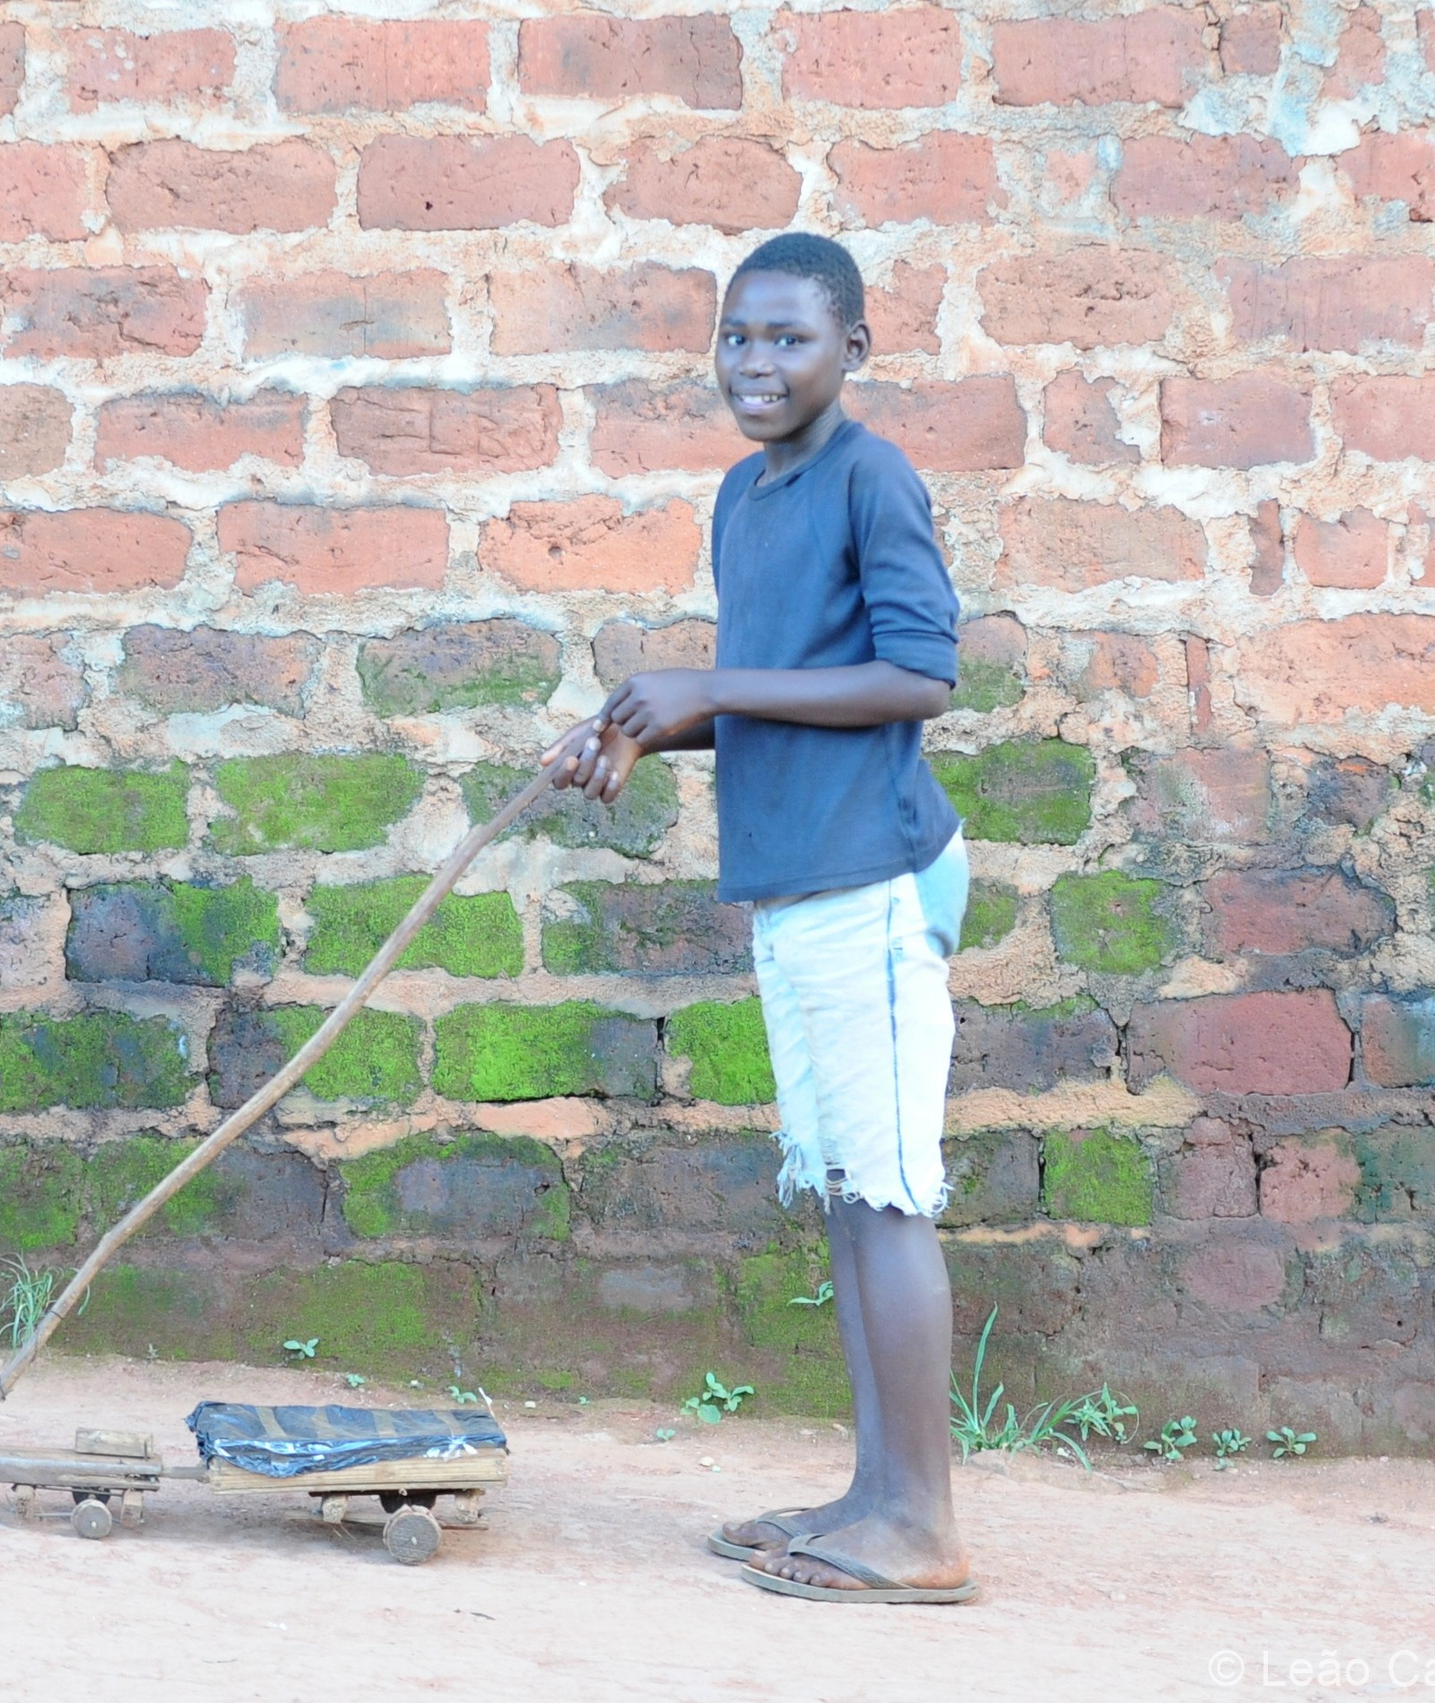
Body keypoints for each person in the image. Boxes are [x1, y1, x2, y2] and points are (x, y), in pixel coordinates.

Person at [542, 231, 977, 1605]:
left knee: (890, 1194)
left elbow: (918, 676)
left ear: (853, 352)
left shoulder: (870, 476)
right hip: (798, 876)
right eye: (737, 336)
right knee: (849, 1194)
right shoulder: (745, 495)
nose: (756, 363)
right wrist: (638, 730)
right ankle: (874, 1494)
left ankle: (924, 1529)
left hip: (874, 879)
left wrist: (711, 689)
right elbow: (774, 686)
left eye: (789, 338)